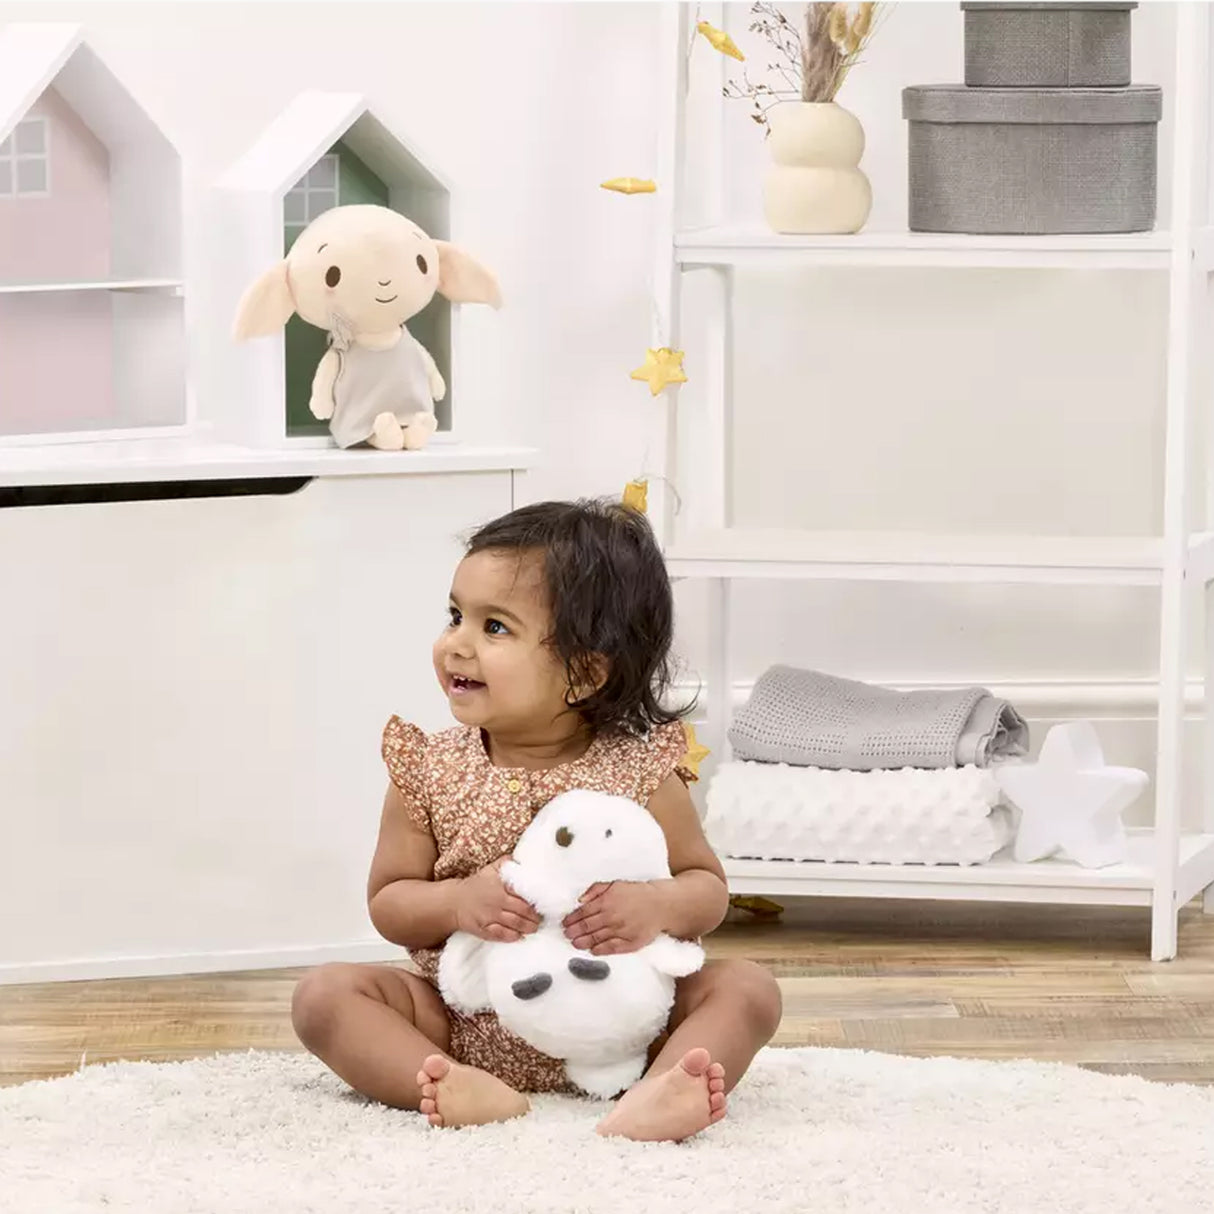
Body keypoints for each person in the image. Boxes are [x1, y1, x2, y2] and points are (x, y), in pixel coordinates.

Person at [290, 498, 782, 1142]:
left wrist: (656, 905)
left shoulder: (640, 772)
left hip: (628, 1022)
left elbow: (707, 890)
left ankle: (665, 1084)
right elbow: (389, 903)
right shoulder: (429, 768)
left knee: (749, 990)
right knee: (323, 997)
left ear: (583, 673)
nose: (456, 644)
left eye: (494, 627)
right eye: (455, 615)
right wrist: (459, 902)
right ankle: (444, 1079)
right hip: (465, 1018)